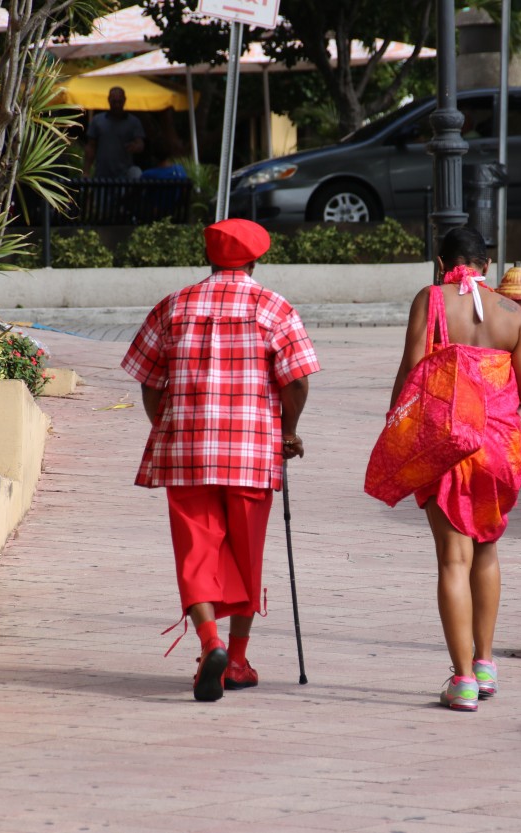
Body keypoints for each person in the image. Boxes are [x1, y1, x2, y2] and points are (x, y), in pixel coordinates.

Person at [121, 218, 320, 703]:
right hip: (251, 451)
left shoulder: (174, 306)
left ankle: (208, 641)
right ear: (255, 259)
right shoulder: (273, 308)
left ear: (209, 256)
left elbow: (148, 380)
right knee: (245, 552)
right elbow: (295, 381)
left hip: (186, 450)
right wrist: (288, 431)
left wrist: (163, 425)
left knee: (196, 551)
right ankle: (235, 658)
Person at [388, 227, 521, 713]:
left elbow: (411, 369)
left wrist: (395, 430)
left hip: (447, 444)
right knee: (486, 552)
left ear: (441, 261)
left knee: (453, 560)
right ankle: (486, 663)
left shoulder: (431, 300)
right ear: (488, 266)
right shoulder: (512, 314)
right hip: (499, 447)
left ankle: (463, 679)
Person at [84, 86, 146, 178]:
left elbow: (140, 143)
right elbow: (91, 146)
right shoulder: (98, 121)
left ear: (124, 100)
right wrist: (86, 171)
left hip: (125, 174)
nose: (117, 105)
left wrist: (136, 146)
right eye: (114, 102)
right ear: (109, 100)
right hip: (102, 174)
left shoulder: (133, 122)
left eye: (119, 102)